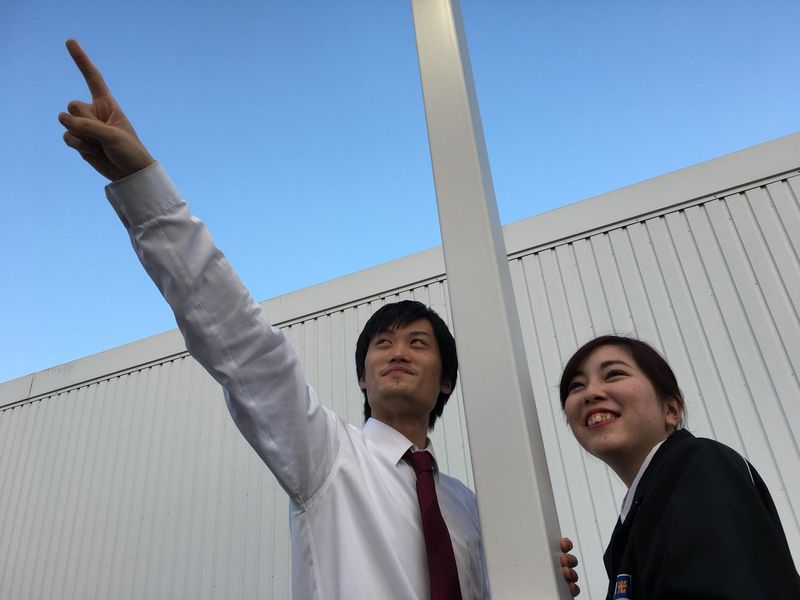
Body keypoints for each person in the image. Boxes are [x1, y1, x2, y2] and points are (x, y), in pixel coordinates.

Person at [59, 40, 577, 599]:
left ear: (446, 380)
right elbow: (243, 344)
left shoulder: (471, 508)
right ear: (362, 376)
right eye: (382, 343)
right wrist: (143, 183)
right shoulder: (327, 456)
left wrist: (541, 579)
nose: (398, 351)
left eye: (418, 343)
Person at [559, 334, 800, 599]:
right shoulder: (635, 519)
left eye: (614, 374)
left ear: (671, 410)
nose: (590, 393)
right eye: (576, 386)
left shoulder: (700, 464)